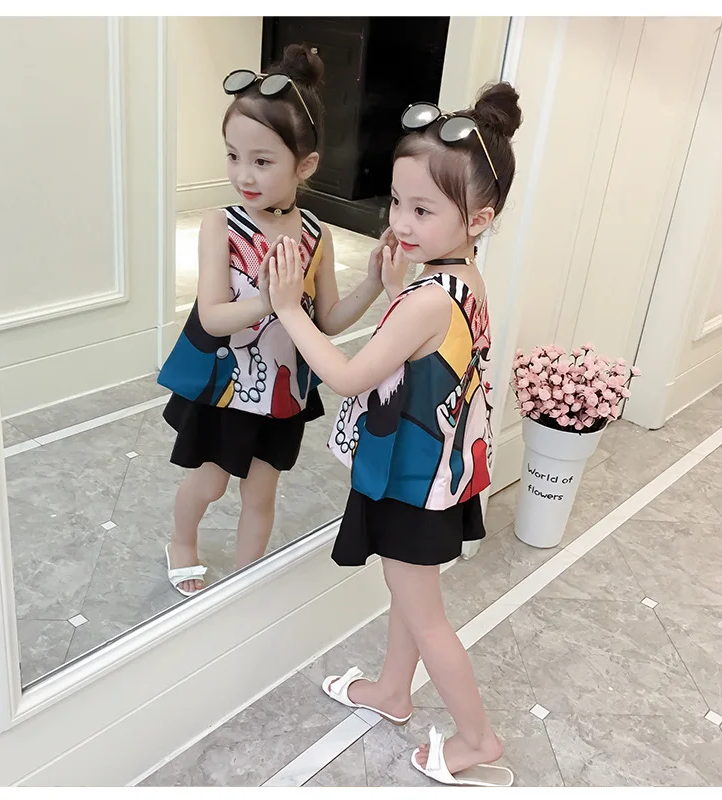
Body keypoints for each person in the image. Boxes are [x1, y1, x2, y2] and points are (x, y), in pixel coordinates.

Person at [267, 82, 523, 787]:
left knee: (425, 613)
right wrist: (392, 286)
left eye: (422, 209)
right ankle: (390, 690)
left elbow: (348, 377)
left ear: (478, 219)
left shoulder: (430, 299)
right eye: (397, 202)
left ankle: (477, 740)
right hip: (435, 471)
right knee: (411, 596)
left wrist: (289, 309)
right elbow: (426, 359)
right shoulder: (461, 279)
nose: (400, 221)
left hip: (413, 481)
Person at [158, 44, 398, 596]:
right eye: (233, 156)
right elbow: (213, 317)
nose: (243, 174)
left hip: (283, 394)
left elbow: (327, 320)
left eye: (262, 161)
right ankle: (181, 542)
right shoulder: (221, 225)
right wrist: (272, 301)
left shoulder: (316, 233)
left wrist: (372, 283)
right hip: (227, 389)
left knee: (261, 493)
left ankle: (244, 584)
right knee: (210, 482)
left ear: (305, 165)